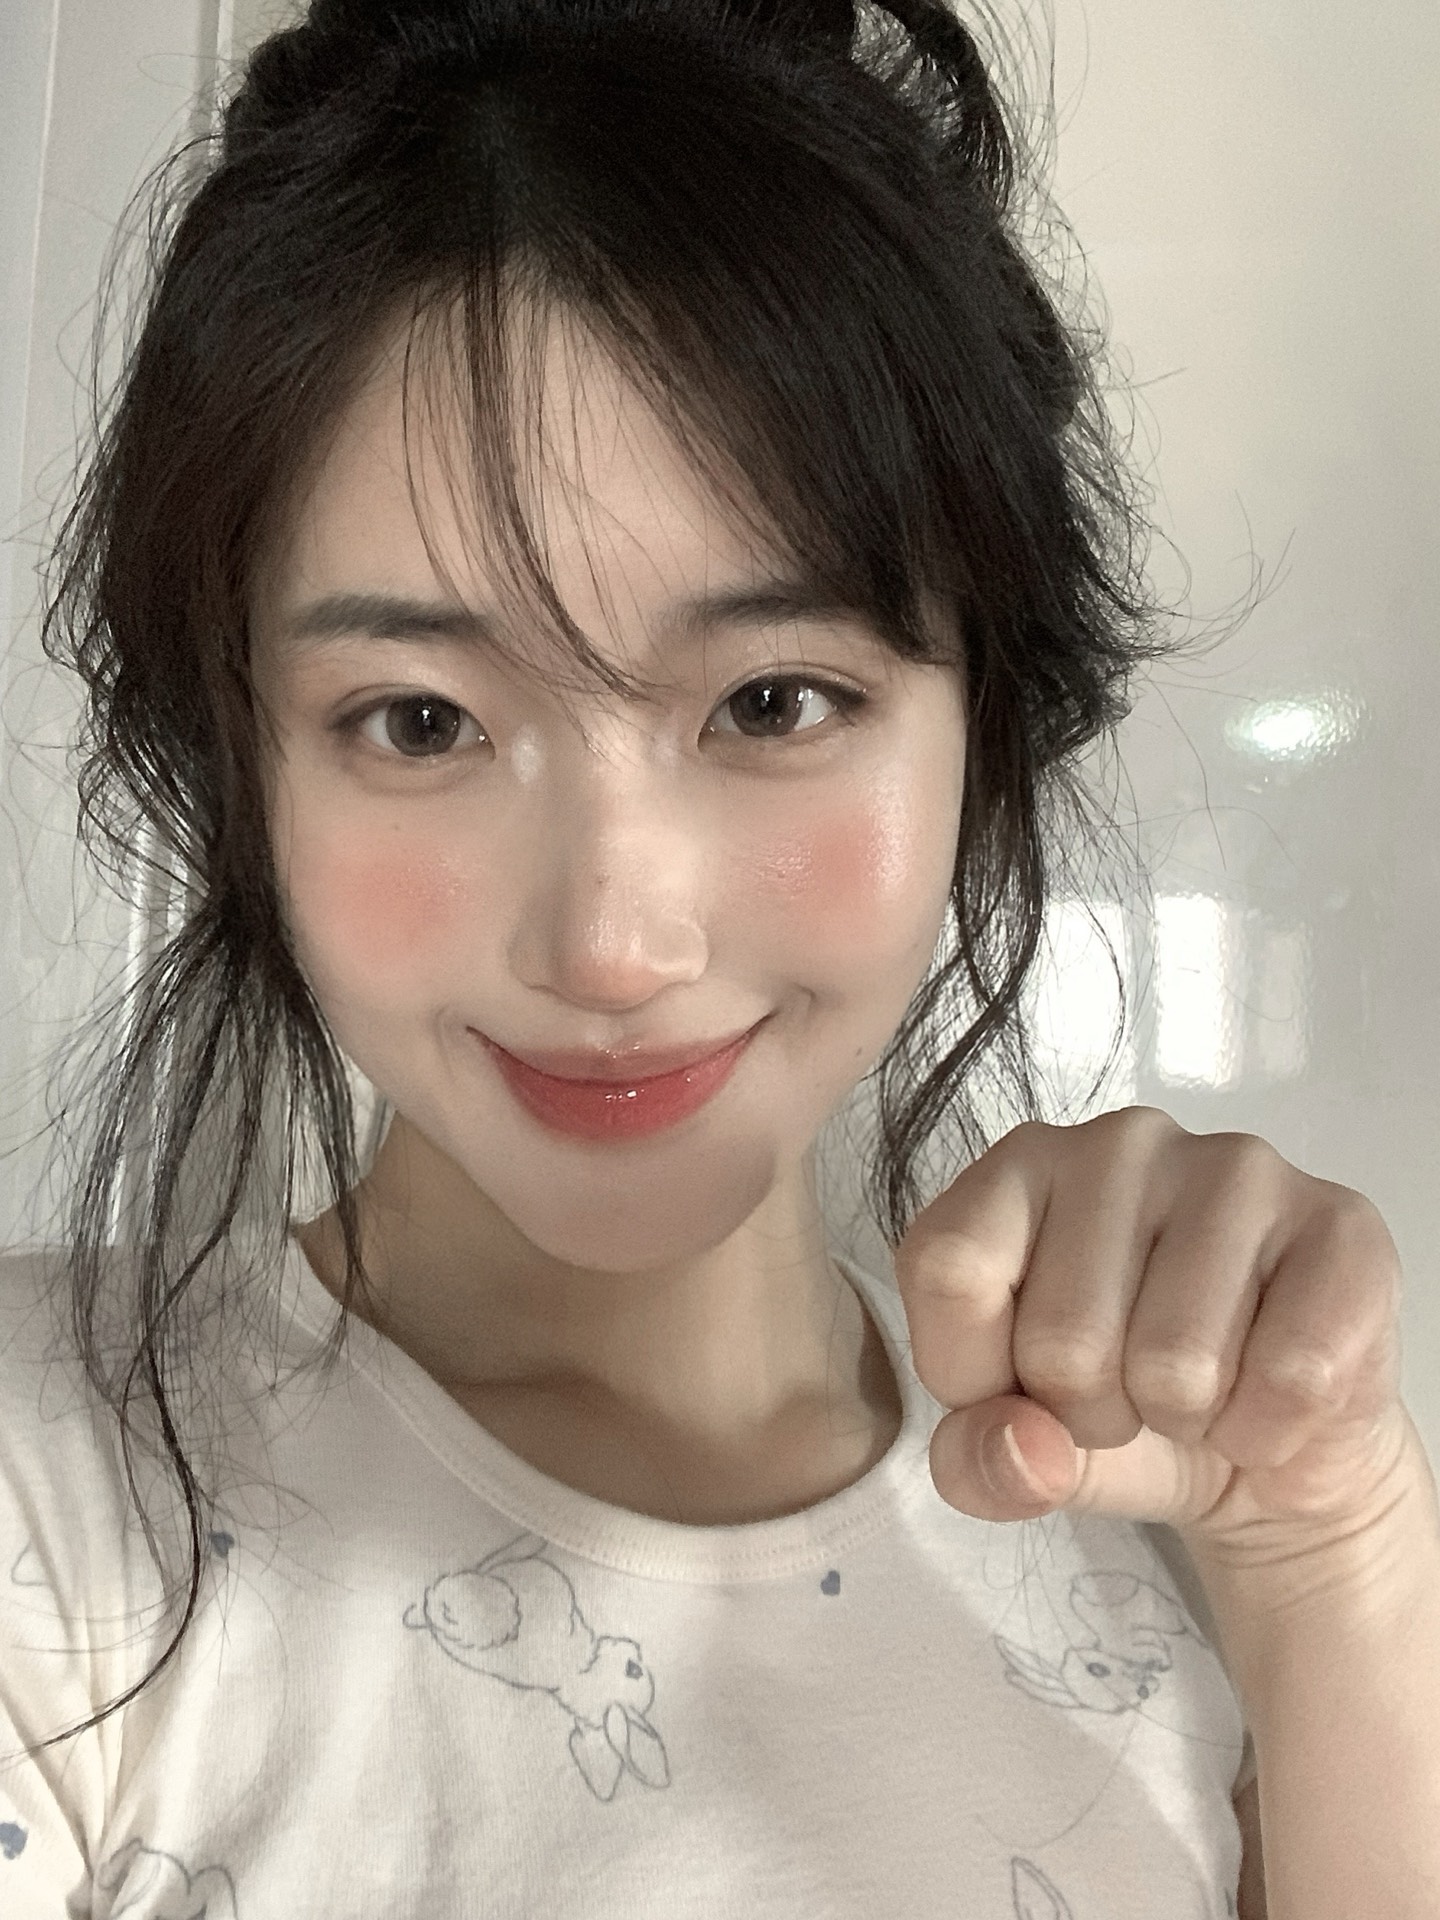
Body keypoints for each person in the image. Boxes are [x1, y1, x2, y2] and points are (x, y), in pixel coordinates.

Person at [1, 0, 1436, 1913]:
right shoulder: (46, 1506)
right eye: (420, 721)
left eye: (771, 701)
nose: (613, 942)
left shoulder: (1164, 1511)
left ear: (985, 725)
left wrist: (1334, 1557)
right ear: (241, 753)